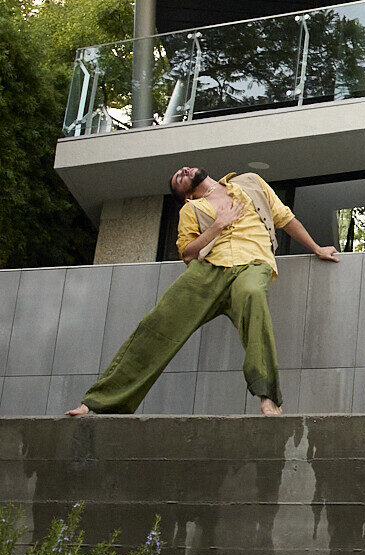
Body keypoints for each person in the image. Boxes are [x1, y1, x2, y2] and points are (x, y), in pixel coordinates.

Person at [66, 164, 338, 418]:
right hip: (209, 269)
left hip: (253, 263)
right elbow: (187, 253)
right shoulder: (191, 210)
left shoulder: (250, 182)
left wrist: (316, 248)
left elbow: (285, 218)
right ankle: (98, 401)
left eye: (183, 169)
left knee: (252, 295)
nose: (183, 171)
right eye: (178, 178)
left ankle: (268, 396)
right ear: (185, 195)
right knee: (158, 323)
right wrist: (219, 225)